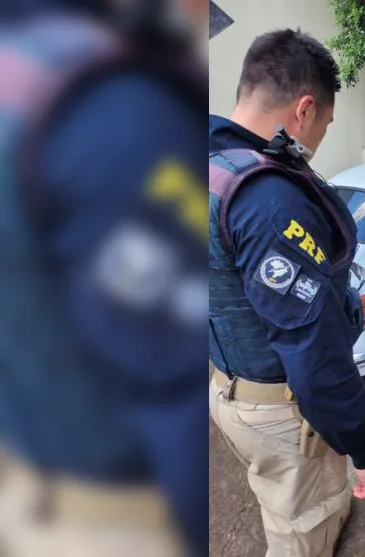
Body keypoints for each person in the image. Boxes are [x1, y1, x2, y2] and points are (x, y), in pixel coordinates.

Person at [0, 2, 207, 556]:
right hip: (115, 519)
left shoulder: (24, 69)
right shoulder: (114, 111)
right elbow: (178, 389)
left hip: (31, 477)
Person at [208, 29, 365, 557]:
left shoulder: (209, 164)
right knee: (300, 528)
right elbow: (313, 355)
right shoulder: (268, 200)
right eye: (326, 124)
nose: (321, 137)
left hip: (227, 380)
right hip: (279, 408)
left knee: (285, 495)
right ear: (304, 109)